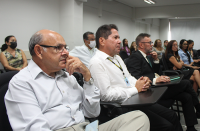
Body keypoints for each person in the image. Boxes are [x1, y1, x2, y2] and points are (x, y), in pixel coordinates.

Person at [5, 29, 150, 131]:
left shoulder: (68, 76)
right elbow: (35, 127)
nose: (66, 52)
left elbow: (92, 112)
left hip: (88, 127)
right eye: (58, 48)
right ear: (38, 51)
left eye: (65, 47)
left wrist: (87, 78)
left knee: (138, 117)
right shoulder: (22, 83)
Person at [89, 24, 183, 131]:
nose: (119, 41)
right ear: (102, 41)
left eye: (119, 37)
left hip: (135, 99)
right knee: (167, 126)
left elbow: (128, 77)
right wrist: (135, 89)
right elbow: (106, 95)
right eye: (115, 38)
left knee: (172, 115)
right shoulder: (96, 63)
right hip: (122, 107)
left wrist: (141, 82)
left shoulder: (116, 58)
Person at [126, 33, 200, 131]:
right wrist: (155, 80)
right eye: (149, 42)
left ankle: (191, 128)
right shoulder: (135, 56)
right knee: (186, 83)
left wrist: (156, 60)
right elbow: (136, 77)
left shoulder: (147, 56)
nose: (152, 44)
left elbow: (155, 72)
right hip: (152, 91)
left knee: (187, 96)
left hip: (158, 85)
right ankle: (198, 108)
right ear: (141, 45)